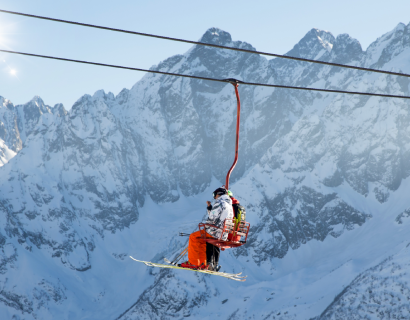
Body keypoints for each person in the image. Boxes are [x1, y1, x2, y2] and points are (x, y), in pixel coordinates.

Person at [180, 187, 234, 271]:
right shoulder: (229, 205)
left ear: (218, 194)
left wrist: (207, 224)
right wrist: (210, 208)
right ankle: (203, 264)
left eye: (214, 195)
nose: (214, 197)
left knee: (193, 237)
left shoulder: (220, 203)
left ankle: (194, 263)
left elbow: (212, 217)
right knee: (201, 240)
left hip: (214, 231)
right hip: (222, 233)